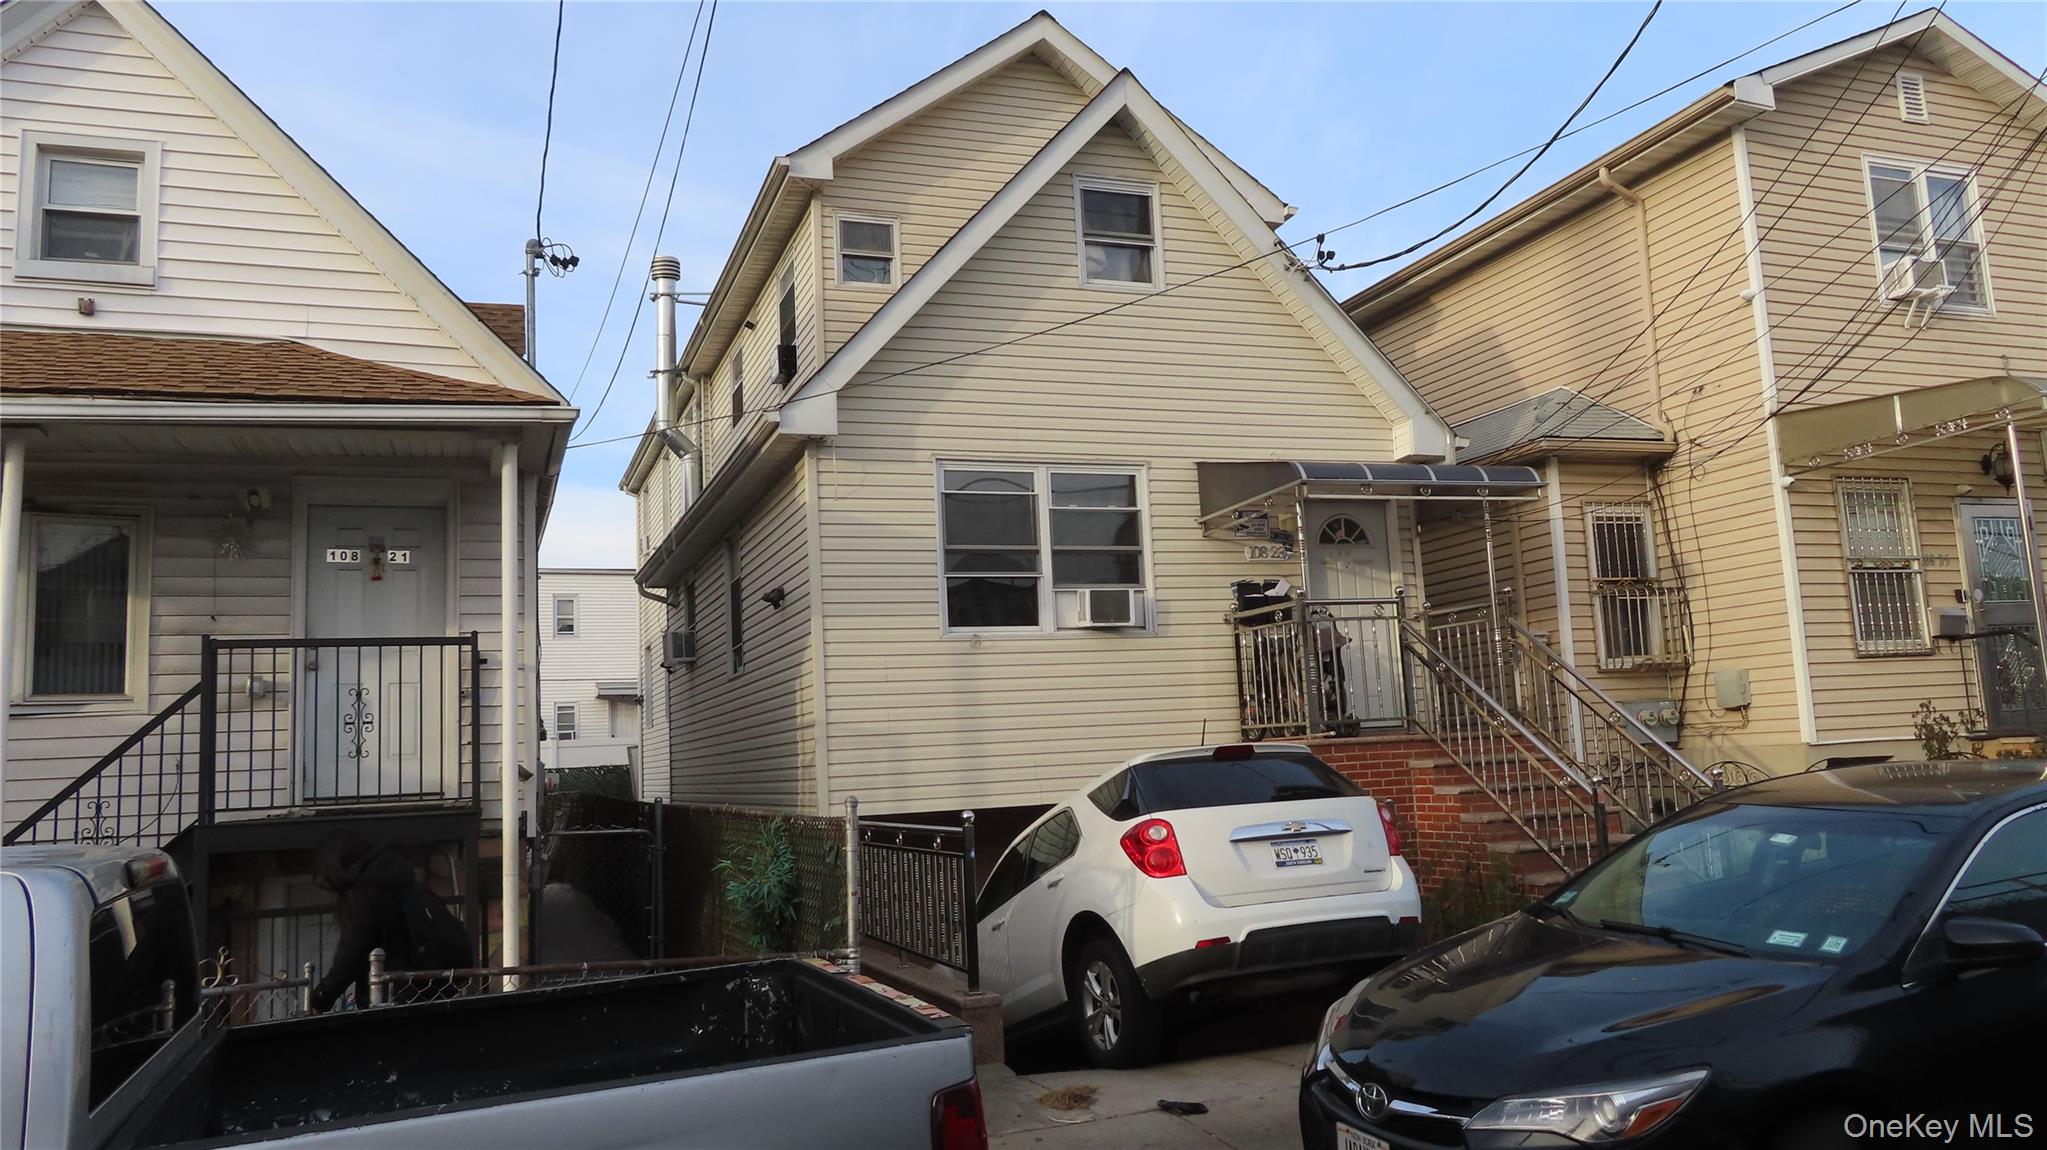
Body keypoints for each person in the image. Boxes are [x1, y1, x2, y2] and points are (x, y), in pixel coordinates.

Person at [306, 831, 474, 1013]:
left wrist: (320, 997)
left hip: (391, 1000)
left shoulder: (364, 894)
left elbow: (352, 953)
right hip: (428, 993)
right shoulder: (404, 884)